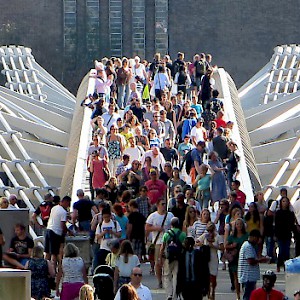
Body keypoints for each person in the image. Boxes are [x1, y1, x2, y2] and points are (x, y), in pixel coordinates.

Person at [145, 198, 174, 288]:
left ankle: (168, 279)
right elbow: (147, 227)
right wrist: (156, 228)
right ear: (157, 205)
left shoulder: (170, 215)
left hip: (168, 241)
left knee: (169, 262)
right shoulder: (153, 216)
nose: (164, 206)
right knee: (158, 262)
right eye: (162, 204)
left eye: (165, 204)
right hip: (158, 242)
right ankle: (159, 280)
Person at [159, 217, 186, 300]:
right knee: (176, 276)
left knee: (167, 276)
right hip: (178, 258)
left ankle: (169, 294)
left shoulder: (167, 234)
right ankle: (175, 294)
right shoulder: (182, 234)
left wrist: (160, 258)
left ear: (171, 224)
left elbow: (162, 247)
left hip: (168, 257)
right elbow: (185, 246)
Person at [238, 229, 270, 300]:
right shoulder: (248, 246)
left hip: (250, 277)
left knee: (250, 296)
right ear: (253, 237)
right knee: (248, 296)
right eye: (257, 239)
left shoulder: (250, 246)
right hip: (247, 277)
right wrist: (262, 260)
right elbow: (251, 261)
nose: (258, 241)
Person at [198, 222, 224, 300]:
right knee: (207, 276)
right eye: (208, 230)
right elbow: (197, 242)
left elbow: (222, 248)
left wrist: (213, 246)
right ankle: (209, 292)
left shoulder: (218, 237)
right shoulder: (205, 236)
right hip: (206, 258)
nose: (209, 232)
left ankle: (213, 292)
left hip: (213, 258)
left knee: (213, 277)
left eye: (211, 230)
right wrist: (202, 245)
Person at [225, 218, 248, 300]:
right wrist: (232, 246)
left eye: (240, 224)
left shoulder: (246, 235)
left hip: (244, 258)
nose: (239, 226)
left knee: (245, 277)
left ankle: (245, 293)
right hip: (234, 258)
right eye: (237, 224)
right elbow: (226, 246)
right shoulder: (232, 236)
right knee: (236, 277)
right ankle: (238, 296)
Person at [44, 196, 72, 266]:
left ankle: (44, 267)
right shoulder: (63, 212)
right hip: (55, 232)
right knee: (54, 253)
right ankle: (53, 270)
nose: (68, 206)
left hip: (48, 229)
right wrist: (68, 231)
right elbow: (62, 225)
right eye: (68, 204)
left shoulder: (54, 208)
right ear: (66, 202)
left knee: (47, 252)